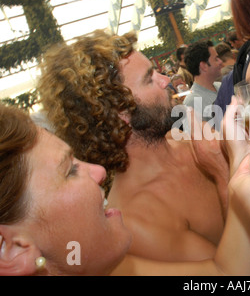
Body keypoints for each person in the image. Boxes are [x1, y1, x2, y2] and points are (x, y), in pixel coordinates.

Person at [0, 102, 250, 276]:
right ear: (11, 248)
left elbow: (223, 275)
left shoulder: (112, 268)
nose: (98, 172)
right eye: (69, 171)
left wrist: (239, 163)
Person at [36, 30, 229, 263]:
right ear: (119, 114)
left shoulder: (184, 139)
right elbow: (233, 274)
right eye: (150, 78)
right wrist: (222, 172)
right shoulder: (138, 218)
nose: (165, 80)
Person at [183, 40, 223, 122]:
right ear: (204, 66)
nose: (220, 61)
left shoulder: (221, 86)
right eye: (216, 59)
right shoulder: (192, 102)